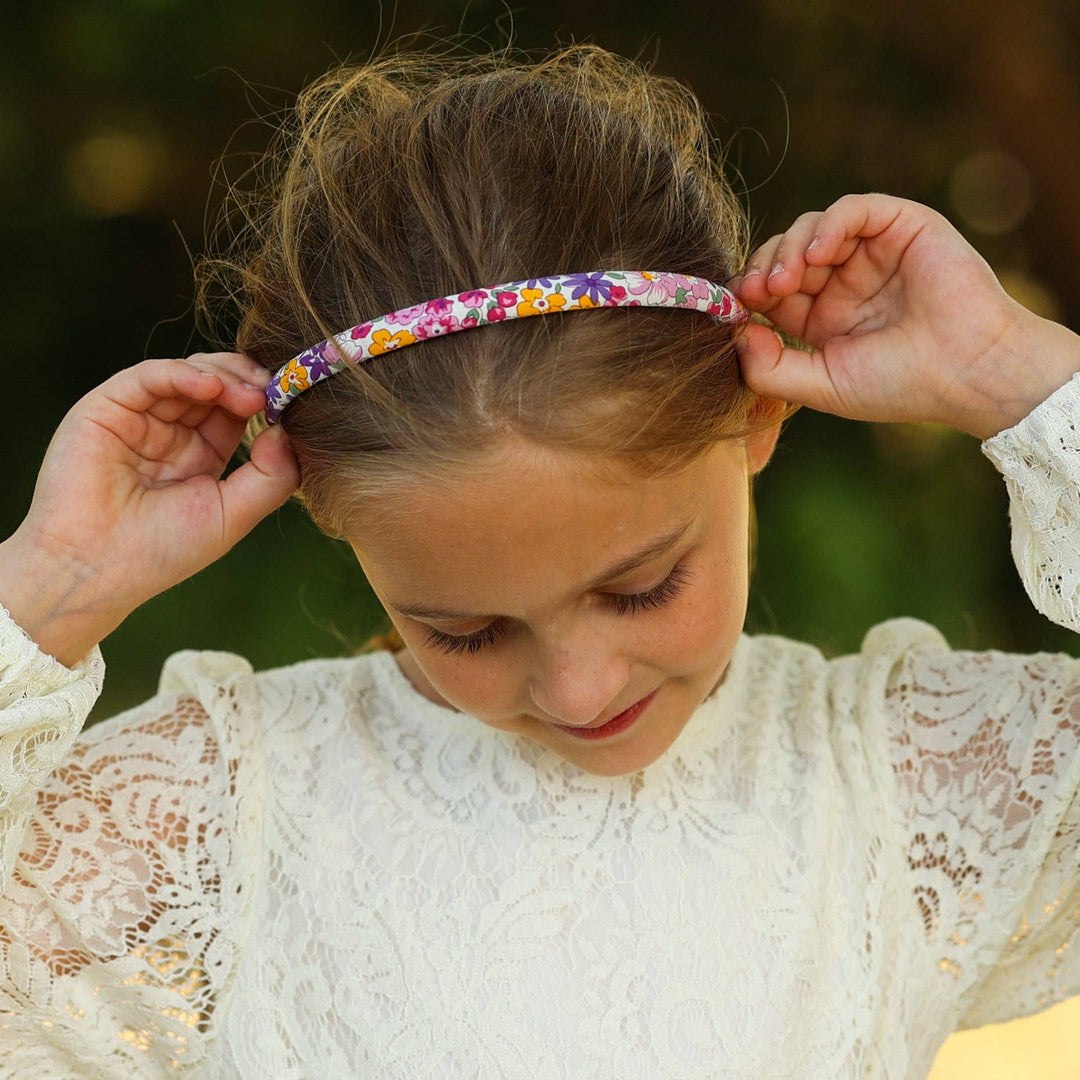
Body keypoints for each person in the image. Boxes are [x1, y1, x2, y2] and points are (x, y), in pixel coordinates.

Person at [2, 41, 1080, 1079]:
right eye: (463, 631)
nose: (580, 687)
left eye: (643, 585)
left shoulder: (912, 792)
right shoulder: (208, 825)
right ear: (326, 514)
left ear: (755, 415)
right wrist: (47, 591)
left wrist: (1017, 377)